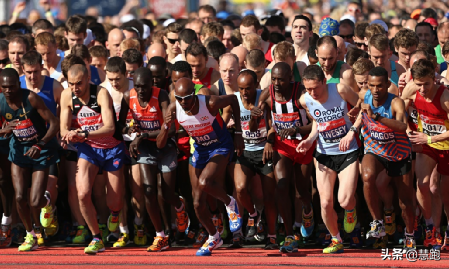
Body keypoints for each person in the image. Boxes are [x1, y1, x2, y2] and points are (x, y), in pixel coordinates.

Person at [159, 77, 244, 256]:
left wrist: (238, 133)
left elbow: (234, 100)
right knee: (197, 204)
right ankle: (214, 237)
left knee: (205, 182)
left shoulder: (210, 103)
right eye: (179, 98)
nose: (183, 103)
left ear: (195, 95)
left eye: (187, 98)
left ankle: (230, 203)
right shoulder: (174, 108)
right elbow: (160, 144)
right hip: (200, 150)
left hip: (220, 145)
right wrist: (166, 126)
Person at [119, 67, 188, 252]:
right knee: (148, 190)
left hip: (165, 146)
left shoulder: (162, 95)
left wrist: (144, 135)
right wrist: (129, 130)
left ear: (153, 84)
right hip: (146, 147)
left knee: (166, 194)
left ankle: (180, 207)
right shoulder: (128, 96)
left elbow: (171, 128)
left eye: (145, 86)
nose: (141, 91)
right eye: (138, 86)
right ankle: (161, 236)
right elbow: (120, 127)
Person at [60, 64, 125, 254]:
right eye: (71, 84)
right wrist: (68, 135)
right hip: (88, 149)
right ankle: (97, 237)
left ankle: (114, 214)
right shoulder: (67, 95)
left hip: (111, 148)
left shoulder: (101, 93)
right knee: (82, 193)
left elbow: (110, 127)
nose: (75, 88)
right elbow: (63, 128)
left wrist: (84, 133)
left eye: (79, 83)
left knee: (114, 202)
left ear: (88, 79)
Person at [296, 65, 359, 254]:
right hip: (324, 153)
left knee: (345, 201)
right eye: (308, 89)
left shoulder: (340, 89)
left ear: (324, 81)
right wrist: (309, 140)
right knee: (325, 202)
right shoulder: (304, 100)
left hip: (348, 150)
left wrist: (351, 133)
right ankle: (336, 239)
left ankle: (350, 210)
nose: (313, 93)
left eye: (316, 87)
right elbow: (317, 122)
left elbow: (363, 108)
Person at [355, 67, 416, 250]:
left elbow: (402, 126)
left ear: (388, 85)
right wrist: (356, 116)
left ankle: (410, 234)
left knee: (404, 201)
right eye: (371, 85)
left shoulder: (395, 102)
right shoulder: (364, 95)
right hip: (375, 150)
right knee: (367, 176)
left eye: (380, 86)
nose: (375, 90)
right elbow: (360, 107)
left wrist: (378, 117)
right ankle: (377, 222)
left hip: (399, 153)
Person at [256, 62, 314, 253]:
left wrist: (297, 129)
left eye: (281, 79)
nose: (277, 83)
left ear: (291, 78)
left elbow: (316, 124)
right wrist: (268, 137)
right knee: (281, 186)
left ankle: (307, 209)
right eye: (274, 79)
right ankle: (290, 236)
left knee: (301, 191)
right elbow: (259, 119)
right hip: (283, 146)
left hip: (304, 144)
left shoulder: (301, 94)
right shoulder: (267, 93)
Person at [0, 68, 59, 251]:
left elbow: (54, 123)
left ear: (19, 84)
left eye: (12, 86)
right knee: (19, 197)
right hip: (18, 151)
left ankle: (47, 203)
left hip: (40, 150)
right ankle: (30, 235)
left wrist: (40, 144)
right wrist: (4, 130)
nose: (8, 90)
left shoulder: (31, 98)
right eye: (4, 87)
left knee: (35, 201)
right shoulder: (1, 102)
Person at [401, 59, 449, 250]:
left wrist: (430, 139)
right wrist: (405, 130)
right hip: (426, 145)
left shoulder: (444, 97)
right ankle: (431, 228)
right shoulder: (411, 89)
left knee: (444, 193)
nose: (422, 89)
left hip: (444, 146)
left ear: (434, 79)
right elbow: (400, 111)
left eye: (426, 84)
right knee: (422, 184)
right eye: (418, 83)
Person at [19, 50, 64, 238]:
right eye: (29, 72)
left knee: (49, 189)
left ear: (42, 69)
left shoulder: (54, 86)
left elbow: (64, 111)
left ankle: (49, 210)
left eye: (36, 72)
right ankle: (37, 229)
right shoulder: (17, 85)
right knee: (29, 194)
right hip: (24, 145)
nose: (32, 76)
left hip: (48, 144)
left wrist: (62, 132)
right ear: (23, 70)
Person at [233, 70, 277, 249]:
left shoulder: (264, 98)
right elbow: (226, 119)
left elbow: (273, 125)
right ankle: (253, 214)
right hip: (245, 151)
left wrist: (269, 141)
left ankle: (272, 235)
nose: (245, 92)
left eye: (248, 88)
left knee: (269, 196)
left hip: (264, 151)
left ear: (256, 85)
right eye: (241, 89)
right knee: (240, 188)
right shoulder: (234, 100)